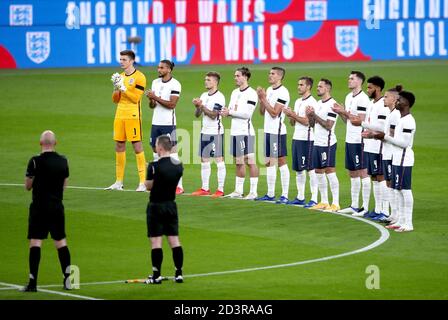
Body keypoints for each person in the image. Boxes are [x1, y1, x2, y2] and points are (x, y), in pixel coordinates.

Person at [22, 130, 72, 292]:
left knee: (36, 242)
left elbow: (28, 186)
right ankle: (68, 280)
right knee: (61, 242)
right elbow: (64, 185)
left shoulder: (34, 161)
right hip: (57, 206)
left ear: (40, 143)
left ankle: (32, 283)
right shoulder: (64, 161)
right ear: (55, 143)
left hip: (39, 207)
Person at [373, 91, 416, 232]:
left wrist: (384, 136)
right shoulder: (401, 119)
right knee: (397, 190)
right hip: (397, 159)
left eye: (400, 100)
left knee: (405, 190)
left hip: (404, 159)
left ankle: (408, 223)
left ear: (407, 103)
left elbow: (404, 143)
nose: (397, 102)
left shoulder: (409, 121)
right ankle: (400, 220)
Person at [144, 135, 184, 284]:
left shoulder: (153, 166)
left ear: (160, 147)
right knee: (174, 240)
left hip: (156, 206)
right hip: (171, 205)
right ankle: (179, 273)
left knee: (156, 242)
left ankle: (156, 275)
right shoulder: (178, 165)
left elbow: (148, 185)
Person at [106, 50, 147, 192]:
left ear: (131, 61)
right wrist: (117, 87)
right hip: (120, 115)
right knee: (119, 145)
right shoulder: (120, 77)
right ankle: (118, 182)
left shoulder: (140, 77)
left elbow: (136, 98)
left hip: (133, 115)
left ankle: (142, 183)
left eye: (124, 59)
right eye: (120, 59)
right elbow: (115, 100)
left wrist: (124, 88)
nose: (121, 62)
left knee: (137, 146)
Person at [332, 71, 371, 216]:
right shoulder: (349, 97)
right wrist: (340, 112)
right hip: (349, 139)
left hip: (359, 139)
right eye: (348, 78)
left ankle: (365, 207)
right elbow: (347, 121)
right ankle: (354, 205)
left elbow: (360, 120)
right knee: (352, 172)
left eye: (352, 78)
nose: (348, 80)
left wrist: (344, 111)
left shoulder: (363, 99)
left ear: (359, 82)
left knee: (363, 172)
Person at [145, 60, 184, 195]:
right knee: (156, 153)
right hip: (156, 122)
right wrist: (151, 99)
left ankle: (179, 186)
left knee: (172, 154)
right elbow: (152, 106)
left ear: (169, 69)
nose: (159, 70)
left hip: (168, 123)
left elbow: (172, 104)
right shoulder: (155, 82)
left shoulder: (175, 84)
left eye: (161, 68)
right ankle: (158, 183)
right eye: (158, 67)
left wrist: (155, 96)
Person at [221, 67, 259, 200]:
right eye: (235, 76)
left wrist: (230, 113)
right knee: (238, 162)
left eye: (237, 76)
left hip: (245, 132)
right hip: (235, 131)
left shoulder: (252, 93)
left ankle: (253, 192)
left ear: (245, 77)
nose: (235, 78)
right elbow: (231, 109)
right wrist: (226, 111)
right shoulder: (234, 92)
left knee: (250, 161)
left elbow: (248, 114)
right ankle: (238, 191)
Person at [255, 67, 291, 204]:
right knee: (269, 162)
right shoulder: (269, 90)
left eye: (273, 74)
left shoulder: (283, 92)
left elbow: (275, 113)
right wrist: (261, 99)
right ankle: (270, 194)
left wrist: (263, 98)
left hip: (277, 132)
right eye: (269, 73)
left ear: (280, 77)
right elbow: (262, 112)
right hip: (268, 131)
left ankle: (285, 195)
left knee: (281, 162)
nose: (269, 75)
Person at [283, 76, 319, 207]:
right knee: (298, 169)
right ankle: (300, 196)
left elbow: (308, 123)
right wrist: (290, 115)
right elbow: (293, 123)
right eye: (298, 84)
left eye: (301, 85)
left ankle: (314, 198)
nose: (298, 87)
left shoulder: (312, 103)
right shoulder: (298, 101)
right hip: (296, 138)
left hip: (307, 140)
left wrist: (293, 115)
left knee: (310, 169)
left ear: (308, 87)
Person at [305, 79, 340, 212]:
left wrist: (314, 115)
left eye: (320, 87)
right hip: (317, 142)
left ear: (327, 88)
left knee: (330, 172)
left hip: (327, 143)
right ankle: (324, 201)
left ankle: (335, 203)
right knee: (319, 172)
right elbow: (314, 125)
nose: (317, 88)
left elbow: (328, 126)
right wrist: (310, 116)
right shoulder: (319, 103)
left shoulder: (333, 104)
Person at [358, 76, 389, 220]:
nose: (367, 89)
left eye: (369, 87)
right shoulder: (371, 103)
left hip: (379, 146)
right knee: (374, 178)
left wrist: (364, 125)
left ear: (377, 88)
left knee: (381, 177)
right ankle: (377, 209)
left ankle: (385, 211)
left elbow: (382, 127)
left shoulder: (383, 104)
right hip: (369, 146)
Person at [191, 72, 226, 197]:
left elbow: (213, 115)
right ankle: (205, 188)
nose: (206, 81)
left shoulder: (220, 97)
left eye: (209, 80)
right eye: (205, 79)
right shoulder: (204, 95)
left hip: (215, 132)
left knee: (218, 160)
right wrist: (198, 106)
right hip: (204, 131)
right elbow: (197, 115)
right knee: (204, 160)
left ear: (215, 82)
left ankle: (220, 190)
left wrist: (202, 105)